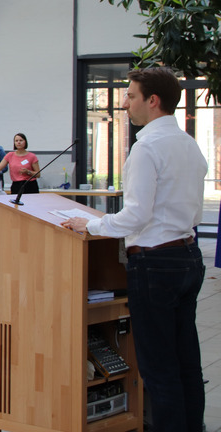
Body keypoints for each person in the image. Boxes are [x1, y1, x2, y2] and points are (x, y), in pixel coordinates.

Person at [61, 67, 207, 432]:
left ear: (152, 101)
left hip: (156, 264)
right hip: (187, 256)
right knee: (187, 360)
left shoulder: (147, 148)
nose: (124, 103)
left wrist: (89, 224)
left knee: (159, 368)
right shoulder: (189, 144)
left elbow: (136, 217)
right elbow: (193, 209)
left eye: (130, 95)